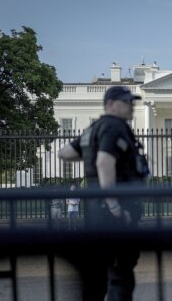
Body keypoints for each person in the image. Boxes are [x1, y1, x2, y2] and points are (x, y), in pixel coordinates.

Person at [58, 85, 148, 301]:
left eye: (131, 102)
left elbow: (65, 153)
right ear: (110, 105)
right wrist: (115, 206)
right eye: (125, 102)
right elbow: (104, 161)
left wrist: (90, 151)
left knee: (97, 277)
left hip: (95, 215)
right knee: (120, 276)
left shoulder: (94, 129)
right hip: (115, 214)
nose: (131, 106)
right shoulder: (114, 126)